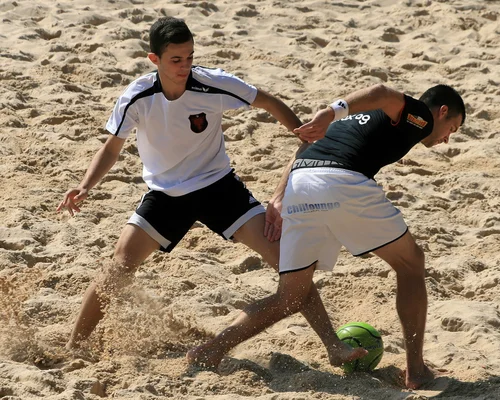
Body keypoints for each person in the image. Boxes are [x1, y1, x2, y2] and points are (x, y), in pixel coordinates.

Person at [56, 16, 366, 367]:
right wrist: (84, 185)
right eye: (176, 60)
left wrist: (301, 131)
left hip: (218, 187)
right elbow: (111, 149)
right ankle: (73, 347)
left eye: (189, 57)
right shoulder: (138, 97)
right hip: (166, 195)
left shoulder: (213, 84)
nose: (185, 66)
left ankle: (333, 346)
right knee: (119, 265)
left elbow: (268, 102)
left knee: (290, 264)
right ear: (154, 60)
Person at [186, 83, 466, 390]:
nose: (447, 139)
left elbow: (306, 145)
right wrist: (332, 110)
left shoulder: (359, 120)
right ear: (441, 112)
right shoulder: (421, 116)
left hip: (301, 183)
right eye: (451, 128)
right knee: (411, 264)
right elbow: (383, 90)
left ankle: (211, 350)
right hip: (341, 180)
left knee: (290, 297)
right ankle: (416, 371)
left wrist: (279, 196)